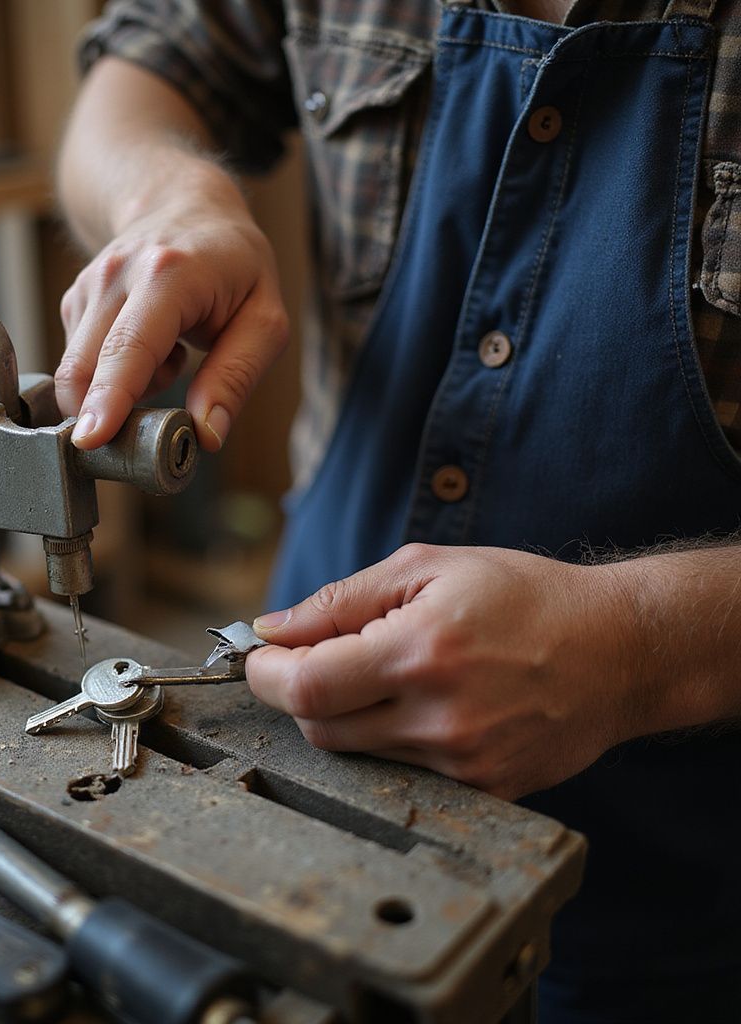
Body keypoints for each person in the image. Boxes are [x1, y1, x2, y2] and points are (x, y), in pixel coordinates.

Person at [54, 1, 741, 1020]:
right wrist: (168, 196)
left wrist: (636, 642)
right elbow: (143, 66)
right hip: (304, 802)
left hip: (691, 895)